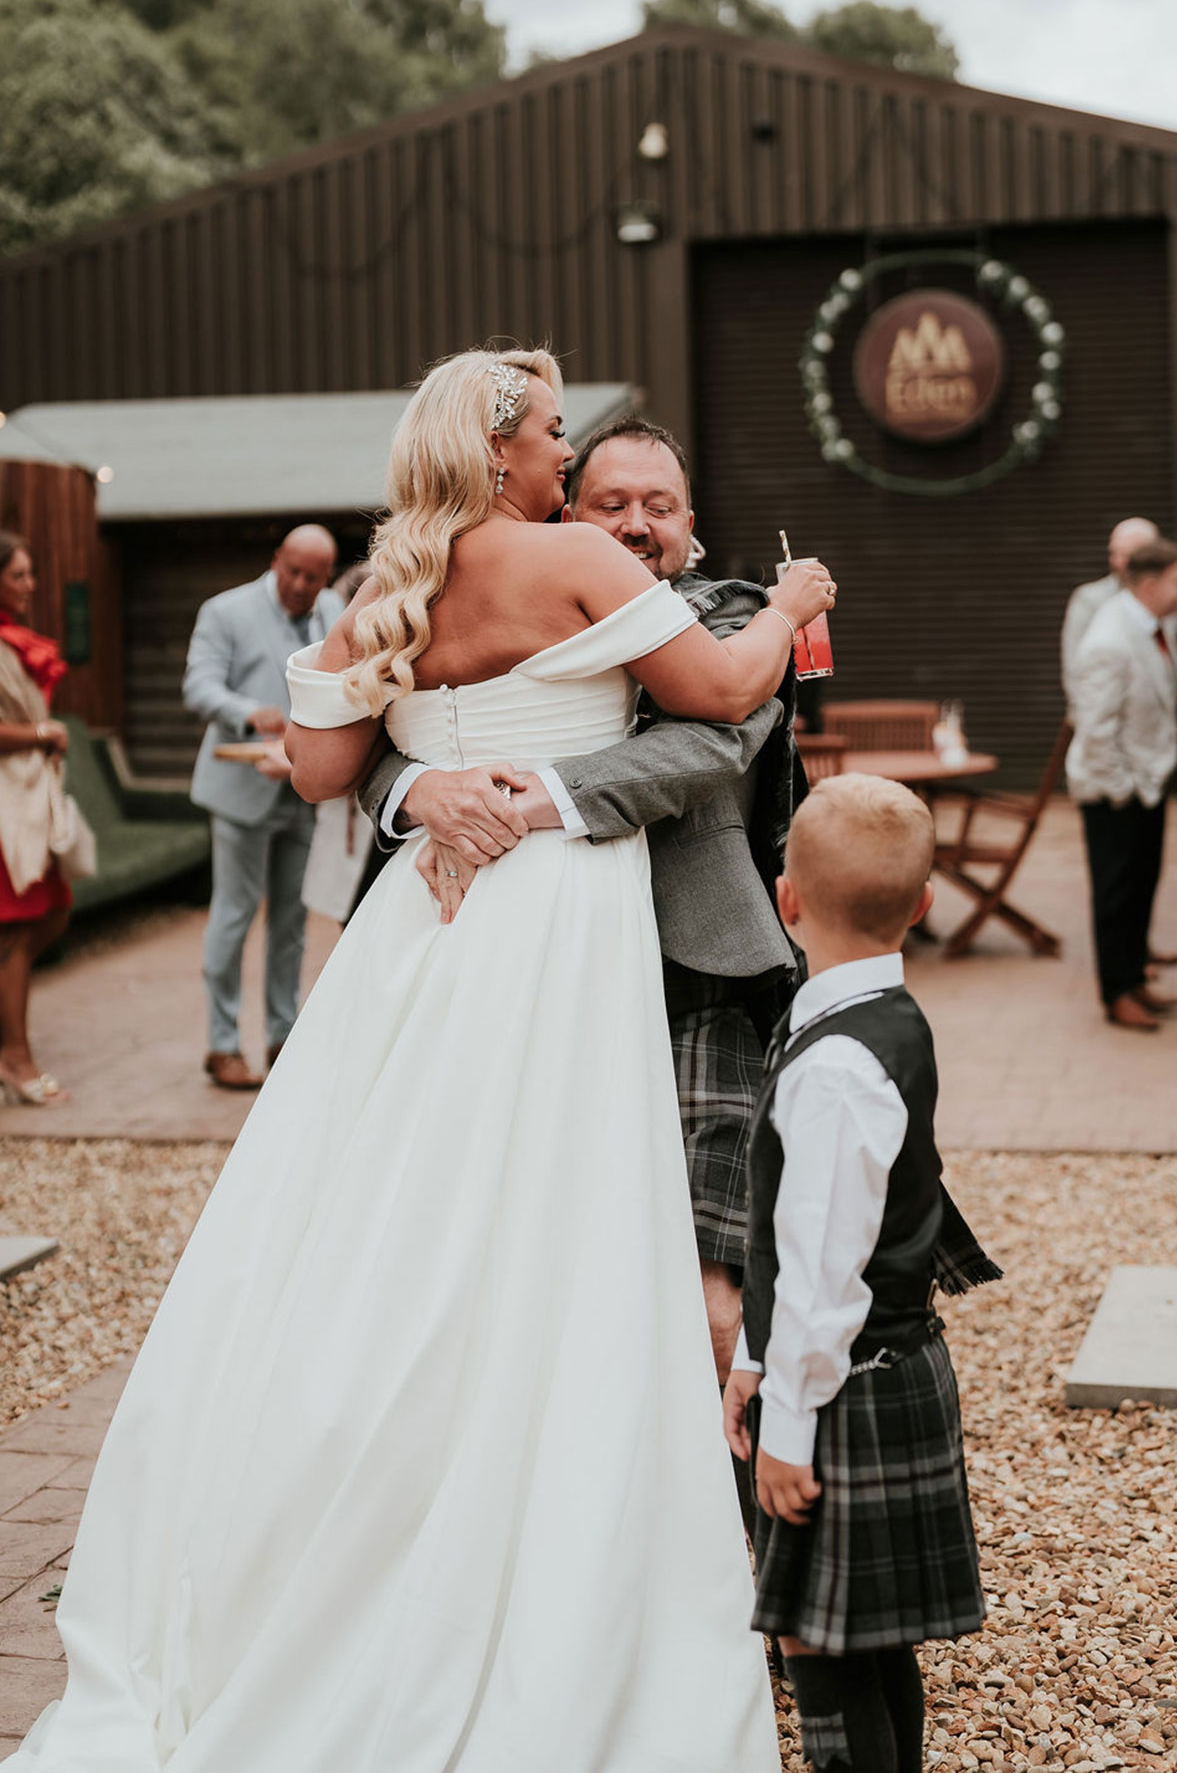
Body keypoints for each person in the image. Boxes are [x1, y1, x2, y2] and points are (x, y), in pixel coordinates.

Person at [11, 346, 836, 1772]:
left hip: (418, 938)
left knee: (390, 1211)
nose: (571, 465)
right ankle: (545, 1529)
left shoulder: (382, 591)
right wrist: (802, 605)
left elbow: (321, 765)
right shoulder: (570, 555)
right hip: (555, 925)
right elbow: (716, 686)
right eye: (558, 439)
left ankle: (368, 1499)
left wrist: (423, 770)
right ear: (503, 449)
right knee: (557, 1218)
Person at [359, 416, 809, 1384]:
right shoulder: (494, 592)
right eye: (610, 504)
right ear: (568, 510)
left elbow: (715, 740)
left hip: (692, 959)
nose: (636, 525)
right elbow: (380, 724)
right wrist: (417, 788)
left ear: (692, 524)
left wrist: (527, 800)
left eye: (658, 506)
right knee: (515, 1229)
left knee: (703, 1266)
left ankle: (719, 1496)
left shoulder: (733, 612)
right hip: (506, 956)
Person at [723, 774, 999, 1773]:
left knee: (819, 1644)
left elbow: (822, 1274)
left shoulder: (835, 1067)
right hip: (869, 1372)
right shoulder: (878, 1015)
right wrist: (752, 1353)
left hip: (846, 1389)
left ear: (786, 900)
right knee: (871, 1633)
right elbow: (798, 1244)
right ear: (924, 907)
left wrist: (786, 1428)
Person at [183, 523, 342, 1088]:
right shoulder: (225, 611)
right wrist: (250, 712)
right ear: (276, 560)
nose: (301, 585)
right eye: (293, 571)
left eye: (314, 577)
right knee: (233, 914)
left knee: (293, 922)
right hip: (240, 789)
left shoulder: (335, 608)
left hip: (304, 787)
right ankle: (222, 1045)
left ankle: (283, 1038)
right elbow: (198, 687)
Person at [1066, 536, 1177, 1031]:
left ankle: (1135, 980)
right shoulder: (1108, 641)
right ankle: (1116, 994)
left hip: (1149, 783)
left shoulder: (1153, 625)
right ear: (1149, 583)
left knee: (1142, 888)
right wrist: (1125, 792)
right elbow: (1096, 732)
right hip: (1115, 794)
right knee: (1116, 895)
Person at [0, 532, 72, 1106]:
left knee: (50, 916)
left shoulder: (13, 639)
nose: (30, 585)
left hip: (27, 798)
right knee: (18, 928)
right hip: (5, 806)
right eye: (19, 574)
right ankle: (17, 1058)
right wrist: (43, 732)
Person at [1060, 516, 1157, 712]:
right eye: (1114, 553)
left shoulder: (1173, 603)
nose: (1118, 562)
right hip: (1105, 716)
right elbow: (1074, 670)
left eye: (1128, 555)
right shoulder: (1089, 600)